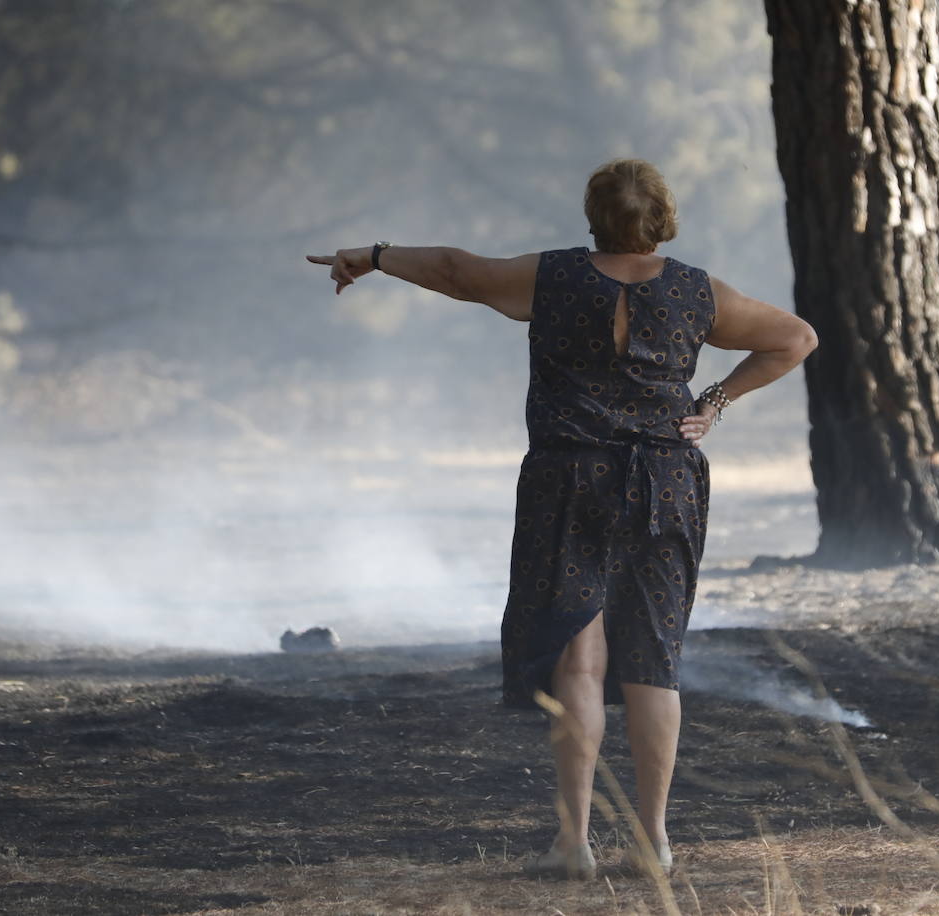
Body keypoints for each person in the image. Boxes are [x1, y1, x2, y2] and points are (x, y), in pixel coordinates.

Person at [307, 158, 816, 879]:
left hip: (569, 480)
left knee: (581, 658)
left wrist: (375, 257)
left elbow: (455, 268)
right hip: (664, 481)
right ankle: (654, 842)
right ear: (662, 217)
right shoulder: (699, 292)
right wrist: (714, 404)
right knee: (654, 661)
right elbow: (795, 338)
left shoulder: (551, 279)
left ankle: (574, 843)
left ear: (594, 215)